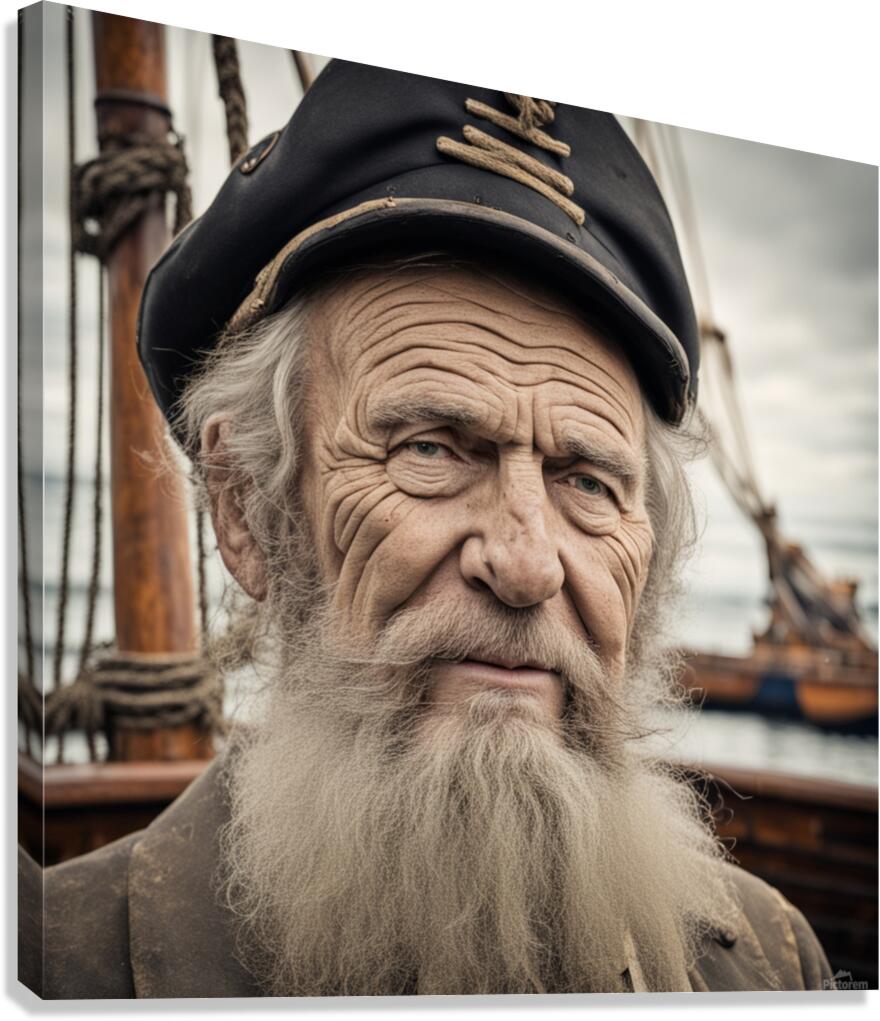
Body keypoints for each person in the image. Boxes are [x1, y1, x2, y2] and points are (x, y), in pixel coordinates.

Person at [20, 58, 834, 998]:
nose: (527, 563)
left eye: (587, 481)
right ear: (246, 509)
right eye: (433, 449)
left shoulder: (777, 968)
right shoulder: (55, 969)